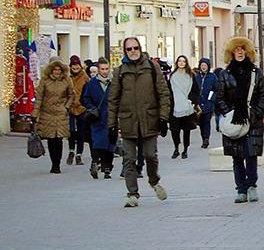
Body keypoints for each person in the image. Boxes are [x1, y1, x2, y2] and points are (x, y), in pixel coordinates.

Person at [109, 37, 171, 208]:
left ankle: (154, 180)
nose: (133, 51)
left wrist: (163, 117)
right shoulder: (120, 71)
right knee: (129, 159)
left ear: (141, 48)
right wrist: (112, 124)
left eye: (135, 47)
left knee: (150, 155)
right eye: (129, 49)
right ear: (125, 51)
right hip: (128, 121)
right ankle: (132, 194)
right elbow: (113, 100)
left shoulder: (152, 67)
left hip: (149, 120)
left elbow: (163, 93)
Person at [215, 37, 264, 203]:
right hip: (233, 121)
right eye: (236, 50)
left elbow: (263, 95)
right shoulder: (225, 74)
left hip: (252, 121)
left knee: (251, 154)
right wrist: (229, 112)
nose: (239, 52)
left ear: (248, 52)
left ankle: (252, 186)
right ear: (231, 53)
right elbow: (219, 97)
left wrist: (256, 113)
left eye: (242, 49)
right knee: (237, 156)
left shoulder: (255, 73)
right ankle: (241, 189)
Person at [31, 57, 74, 174]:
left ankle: (57, 164)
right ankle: (53, 162)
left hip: (61, 113)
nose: (57, 71)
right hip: (47, 113)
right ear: (51, 69)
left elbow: (71, 95)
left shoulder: (67, 80)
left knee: (58, 139)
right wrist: (35, 113)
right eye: (55, 69)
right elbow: (39, 97)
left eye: (59, 69)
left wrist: (66, 107)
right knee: (51, 139)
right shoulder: (44, 81)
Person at [80, 57, 116, 179]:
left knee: (110, 144)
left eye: (107, 69)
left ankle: (107, 168)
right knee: (97, 142)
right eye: (102, 69)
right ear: (98, 69)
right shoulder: (92, 83)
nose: (105, 71)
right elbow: (85, 98)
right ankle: (95, 162)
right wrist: (91, 107)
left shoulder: (114, 83)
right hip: (97, 117)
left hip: (111, 118)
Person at [168, 55, 200, 159]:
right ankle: (176, 148)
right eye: (179, 61)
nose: (181, 63)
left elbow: (196, 90)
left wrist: (192, 101)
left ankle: (185, 150)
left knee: (186, 130)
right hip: (175, 106)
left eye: (184, 61)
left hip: (187, 106)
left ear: (186, 63)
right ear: (177, 63)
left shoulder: (190, 76)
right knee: (174, 130)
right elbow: (168, 91)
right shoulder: (172, 76)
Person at [66, 55, 89, 166]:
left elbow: (88, 91)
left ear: (80, 66)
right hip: (70, 107)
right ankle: (71, 151)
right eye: (73, 65)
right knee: (71, 131)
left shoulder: (84, 77)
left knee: (80, 132)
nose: (75, 67)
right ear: (70, 66)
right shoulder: (67, 77)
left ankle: (79, 154)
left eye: (77, 65)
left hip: (81, 108)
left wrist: (86, 104)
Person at [194, 57, 217, 148]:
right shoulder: (196, 76)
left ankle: (206, 139)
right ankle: (203, 137)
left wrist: (212, 99)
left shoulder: (212, 77)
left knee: (207, 122)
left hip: (208, 103)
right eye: (202, 65)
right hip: (198, 104)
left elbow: (216, 89)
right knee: (201, 123)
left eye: (205, 65)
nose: (203, 67)